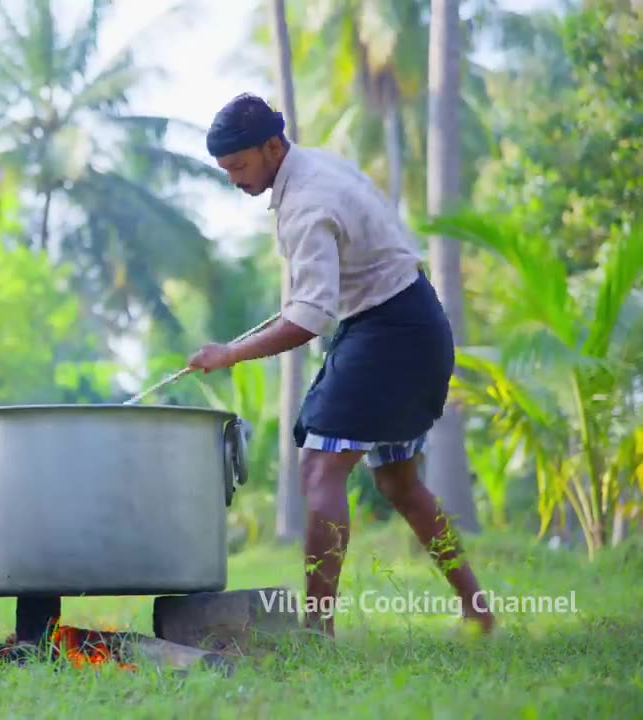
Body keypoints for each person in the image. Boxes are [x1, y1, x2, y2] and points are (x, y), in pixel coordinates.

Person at [186, 93, 494, 637]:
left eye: (239, 166)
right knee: (400, 483)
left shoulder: (307, 202)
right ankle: (478, 610)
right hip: (412, 321)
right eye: (226, 170)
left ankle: (317, 629)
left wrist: (229, 354)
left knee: (319, 468)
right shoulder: (313, 166)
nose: (234, 180)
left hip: (390, 332)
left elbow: (309, 321)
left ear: (271, 147)